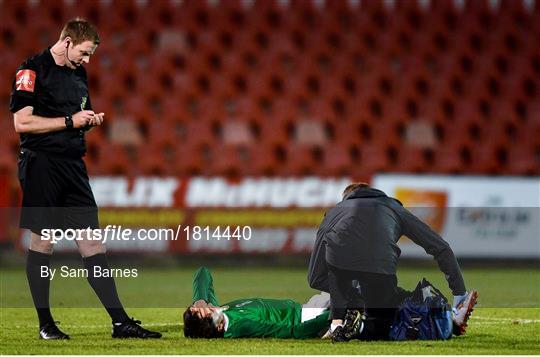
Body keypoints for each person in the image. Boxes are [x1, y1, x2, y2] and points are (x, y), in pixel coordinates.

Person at [9, 18, 161, 340]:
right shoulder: (32, 69)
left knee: (93, 242)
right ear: (67, 42)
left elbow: (77, 115)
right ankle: (45, 325)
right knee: (44, 241)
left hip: (73, 166)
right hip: (42, 165)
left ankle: (120, 323)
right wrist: (69, 121)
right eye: (85, 52)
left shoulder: (78, 73)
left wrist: (87, 121)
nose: (87, 60)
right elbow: (22, 124)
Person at [308, 182, 477, 342]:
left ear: (345, 198)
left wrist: (353, 297)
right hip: (380, 270)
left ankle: (343, 323)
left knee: (339, 271)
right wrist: (459, 293)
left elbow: (315, 277)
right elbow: (441, 248)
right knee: (386, 315)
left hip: (339, 266)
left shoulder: (334, 212)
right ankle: (442, 314)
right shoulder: (393, 207)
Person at [183, 267, 331, 339]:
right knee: (346, 281)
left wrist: (200, 299)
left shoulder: (219, 314)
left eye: (195, 307)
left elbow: (202, 273)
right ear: (218, 326)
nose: (206, 306)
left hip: (309, 308)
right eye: (203, 310)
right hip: (312, 316)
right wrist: (333, 315)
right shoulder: (242, 324)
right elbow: (295, 330)